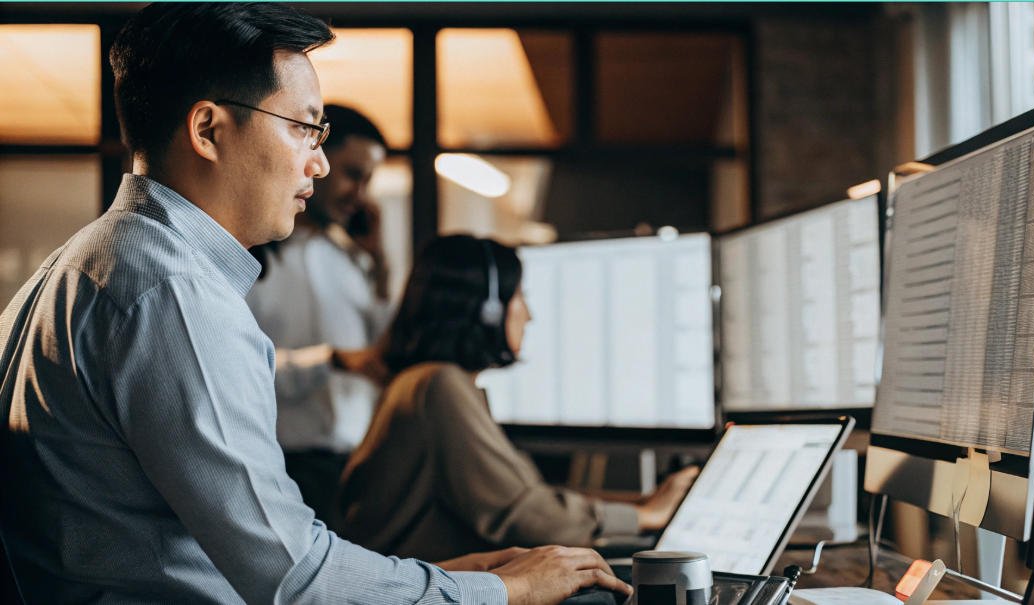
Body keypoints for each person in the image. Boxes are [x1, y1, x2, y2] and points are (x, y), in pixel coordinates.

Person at [0, 4, 629, 603]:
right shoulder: (174, 295)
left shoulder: (77, 267)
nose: (320, 164)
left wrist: (436, 580)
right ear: (208, 130)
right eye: (304, 127)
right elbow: (296, 582)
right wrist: (504, 591)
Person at [338, 234, 700, 562]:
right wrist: (646, 515)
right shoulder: (438, 385)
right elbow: (523, 514)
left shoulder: (421, 382)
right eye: (520, 295)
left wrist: (641, 502)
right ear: (489, 310)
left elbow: (524, 493)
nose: (529, 314)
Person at [247, 104, 394, 526]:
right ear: (316, 159)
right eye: (352, 174)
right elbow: (242, 370)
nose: (360, 195)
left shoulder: (354, 262)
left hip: (357, 469)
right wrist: (330, 360)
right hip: (283, 467)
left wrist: (379, 266)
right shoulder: (251, 261)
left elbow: (385, 351)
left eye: (368, 181)